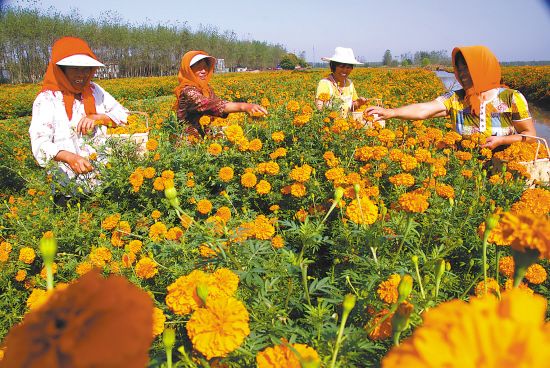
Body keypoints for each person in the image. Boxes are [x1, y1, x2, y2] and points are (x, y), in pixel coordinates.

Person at [366, 45, 536, 150]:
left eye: (468, 69)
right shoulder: (455, 98)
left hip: (503, 168)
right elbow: (424, 109)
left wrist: (503, 140)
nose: (462, 74)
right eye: (459, 69)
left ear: (483, 68)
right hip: (463, 169)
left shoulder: (511, 98)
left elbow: (530, 136)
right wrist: (391, 112)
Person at [29, 36, 128, 195]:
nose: (81, 74)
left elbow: (124, 115)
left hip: (104, 179)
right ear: (61, 69)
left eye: (86, 68)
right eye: (75, 68)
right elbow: (40, 144)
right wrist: (69, 157)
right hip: (67, 186)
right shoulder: (47, 99)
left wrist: (98, 117)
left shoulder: (95, 91)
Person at [174, 50, 267, 139]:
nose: (203, 71)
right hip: (190, 146)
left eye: (205, 67)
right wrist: (244, 107)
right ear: (188, 70)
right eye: (198, 68)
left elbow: (217, 107)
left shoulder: (206, 89)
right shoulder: (188, 92)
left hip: (206, 140)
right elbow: (212, 105)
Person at [315, 47, 368, 116]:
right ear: (333, 67)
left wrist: (359, 103)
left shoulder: (350, 83)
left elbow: (351, 108)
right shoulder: (325, 83)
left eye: (348, 67)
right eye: (341, 66)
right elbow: (319, 107)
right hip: (330, 124)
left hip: (346, 124)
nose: (345, 70)